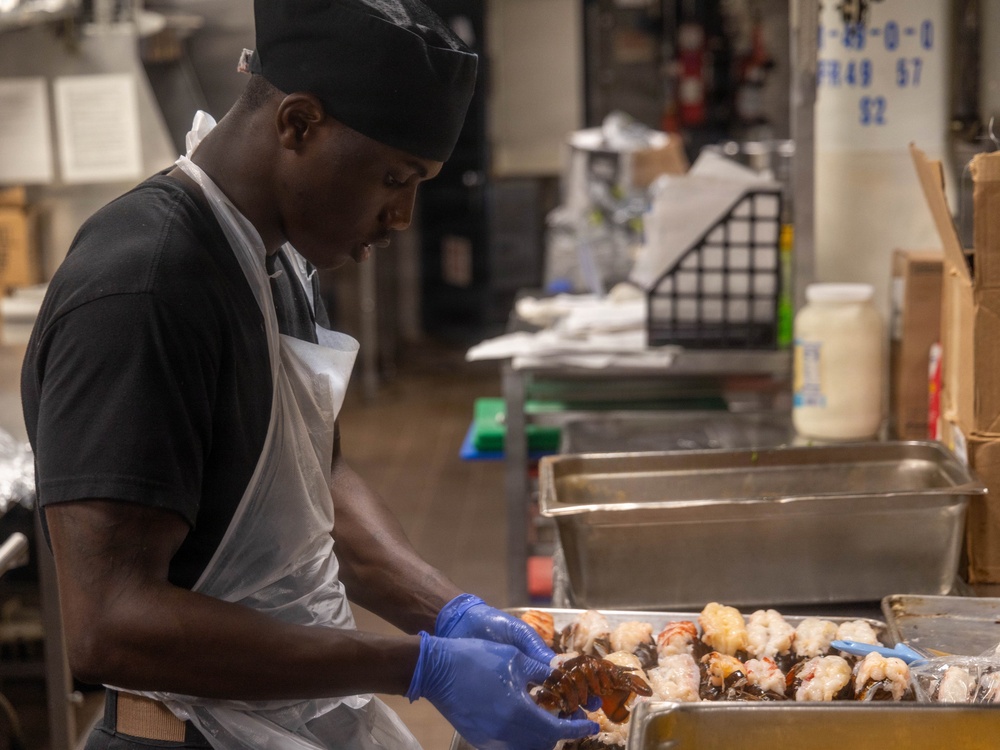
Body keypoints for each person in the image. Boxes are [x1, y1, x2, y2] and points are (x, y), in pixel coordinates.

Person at [20, 1, 600, 748]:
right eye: (393, 178)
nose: (403, 218)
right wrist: (416, 665)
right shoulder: (146, 286)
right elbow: (110, 623)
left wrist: (449, 611)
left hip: (287, 724)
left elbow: (312, 482)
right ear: (297, 124)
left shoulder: (275, 257)